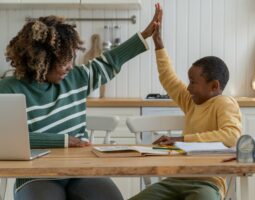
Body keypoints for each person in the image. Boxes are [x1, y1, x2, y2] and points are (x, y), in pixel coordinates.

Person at [0, 5, 161, 200]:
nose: (69, 66)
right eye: (63, 61)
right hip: (35, 174)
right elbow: (7, 142)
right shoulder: (9, 88)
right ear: (40, 61)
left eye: (71, 59)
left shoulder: (76, 78)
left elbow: (109, 61)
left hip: (82, 169)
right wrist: (64, 141)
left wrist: (145, 34)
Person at [129, 4, 242, 200]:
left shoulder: (224, 104)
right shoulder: (192, 102)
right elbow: (168, 79)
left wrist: (182, 141)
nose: (188, 88)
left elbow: (231, 136)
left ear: (214, 86)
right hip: (176, 179)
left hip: (208, 182)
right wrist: (158, 44)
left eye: (193, 82)